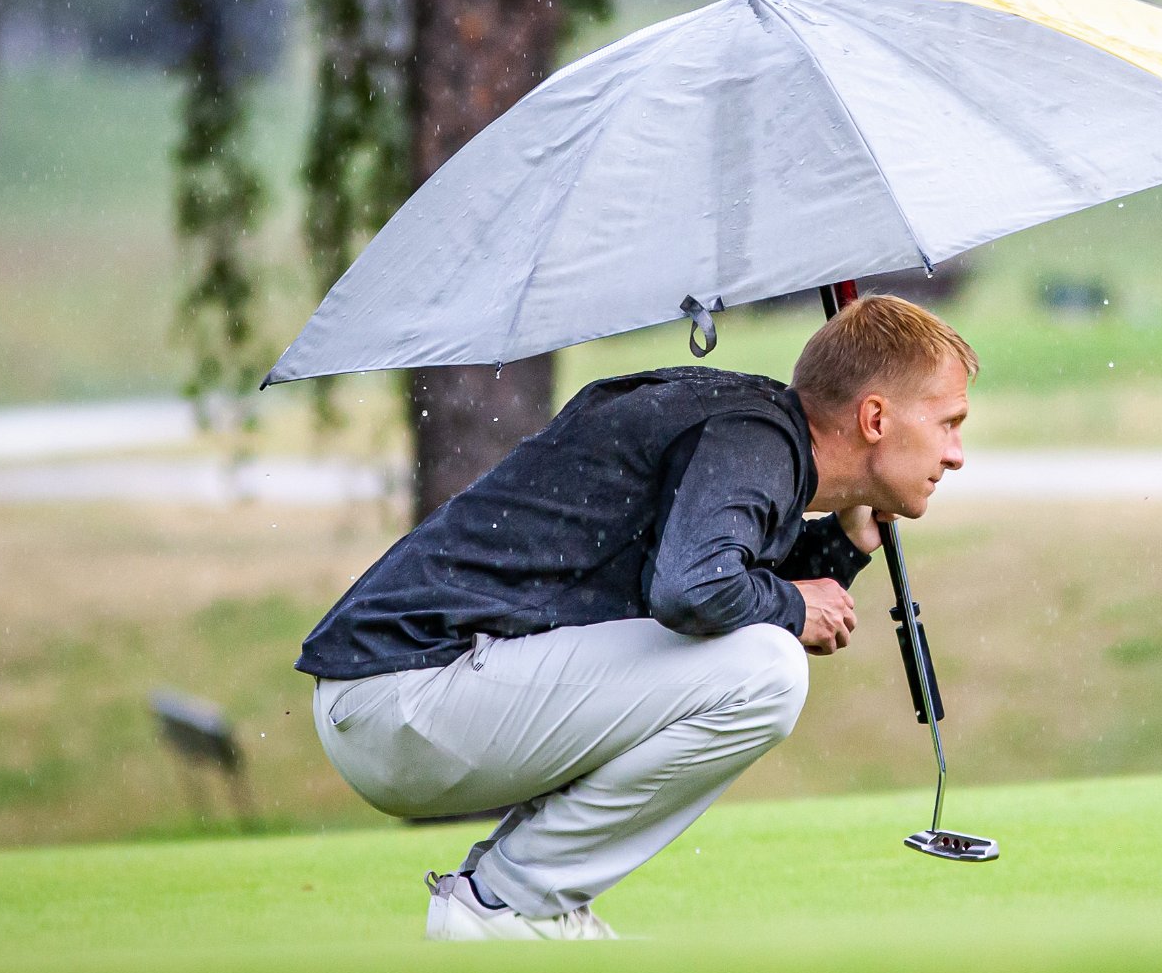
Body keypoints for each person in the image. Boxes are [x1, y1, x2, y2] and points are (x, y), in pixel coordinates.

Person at [300, 294, 976, 939]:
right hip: (407, 696)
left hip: (401, 699)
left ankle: (513, 901)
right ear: (876, 419)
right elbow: (691, 589)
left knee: (756, 648)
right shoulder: (755, 439)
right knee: (767, 670)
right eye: (948, 423)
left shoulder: (749, 432)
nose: (955, 453)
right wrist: (797, 605)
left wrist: (844, 540)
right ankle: (507, 901)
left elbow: (720, 573)